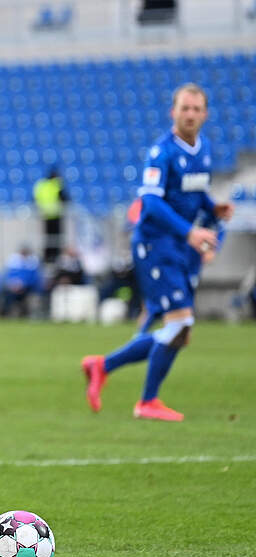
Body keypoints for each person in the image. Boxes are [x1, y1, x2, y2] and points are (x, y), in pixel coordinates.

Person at [81, 83, 234, 422]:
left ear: (206, 114)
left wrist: (213, 208)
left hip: (180, 245)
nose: (190, 114)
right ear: (172, 112)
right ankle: (147, 401)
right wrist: (190, 231)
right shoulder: (161, 152)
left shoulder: (204, 149)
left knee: (180, 331)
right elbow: (150, 201)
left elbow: (195, 193)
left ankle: (102, 366)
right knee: (180, 324)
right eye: (184, 108)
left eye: (196, 109)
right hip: (156, 244)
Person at [33, 166, 69, 265]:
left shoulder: (41, 185)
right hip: (56, 214)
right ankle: (55, 257)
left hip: (45, 215)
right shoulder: (57, 184)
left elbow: (35, 199)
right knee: (55, 238)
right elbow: (64, 197)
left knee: (48, 238)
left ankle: (48, 257)